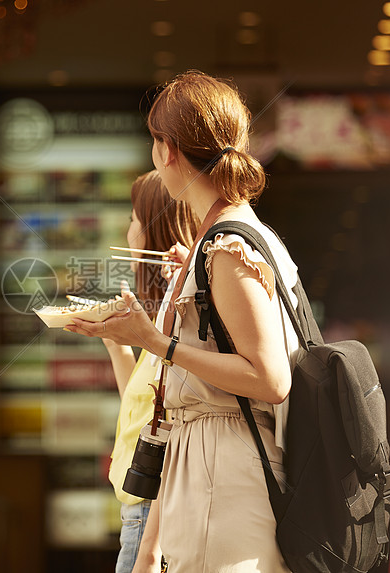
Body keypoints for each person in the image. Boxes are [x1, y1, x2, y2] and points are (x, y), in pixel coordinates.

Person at [65, 70, 302, 572]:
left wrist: (154, 340)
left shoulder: (228, 244)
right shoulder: (220, 239)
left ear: (166, 151)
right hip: (211, 471)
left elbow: (270, 378)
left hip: (224, 476)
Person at [102, 170, 197, 573]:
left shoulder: (181, 319)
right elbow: (143, 410)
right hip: (138, 505)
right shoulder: (163, 318)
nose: (128, 230)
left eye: (134, 218)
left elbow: (173, 431)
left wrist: (149, 548)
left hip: (149, 509)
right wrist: (115, 343)